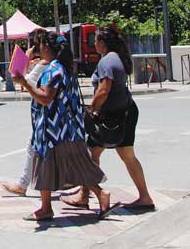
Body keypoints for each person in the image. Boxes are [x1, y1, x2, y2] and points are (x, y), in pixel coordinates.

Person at [13, 30, 112, 222]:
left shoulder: (54, 69)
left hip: (53, 130)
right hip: (67, 128)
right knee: (75, 165)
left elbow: (45, 98)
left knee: (45, 166)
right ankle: (100, 194)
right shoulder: (64, 67)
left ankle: (46, 208)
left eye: (41, 45)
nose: (39, 48)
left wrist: (24, 81)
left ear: (48, 47)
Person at [62, 27, 155, 211]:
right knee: (119, 155)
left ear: (102, 43)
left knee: (91, 154)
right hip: (124, 113)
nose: (94, 44)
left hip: (114, 117)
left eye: (95, 41)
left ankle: (86, 195)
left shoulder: (107, 61)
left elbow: (103, 90)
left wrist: (92, 110)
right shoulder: (115, 58)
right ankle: (143, 196)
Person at [2, 30, 49, 196]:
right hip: (53, 113)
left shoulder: (44, 64)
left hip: (46, 114)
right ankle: (87, 187)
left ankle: (23, 185)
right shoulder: (54, 62)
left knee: (35, 147)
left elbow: (22, 79)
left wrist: (25, 58)